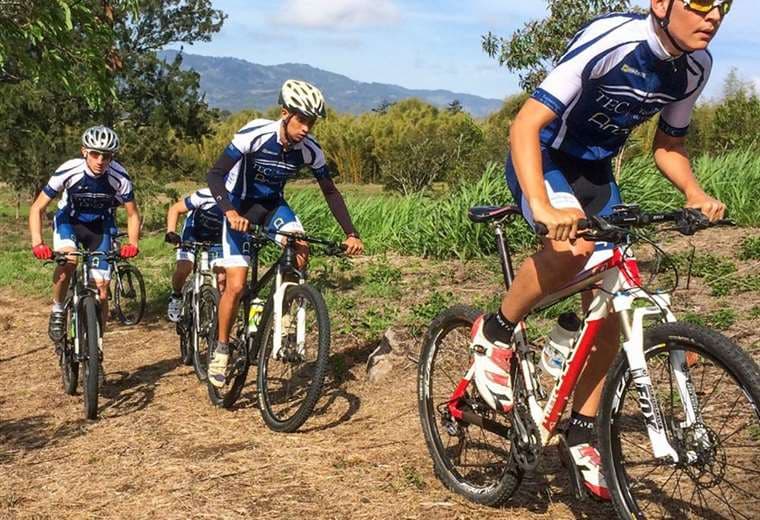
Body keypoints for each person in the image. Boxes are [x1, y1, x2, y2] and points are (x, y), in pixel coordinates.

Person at [471, 0, 729, 500]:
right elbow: (525, 125)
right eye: (700, 2)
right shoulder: (614, 39)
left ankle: (583, 428)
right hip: (543, 156)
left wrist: (693, 193)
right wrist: (542, 206)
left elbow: (669, 145)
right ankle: (495, 331)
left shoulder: (697, 66)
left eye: (724, 5)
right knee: (573, 248)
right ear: (661, 4)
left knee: (618, 301)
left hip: (596, 174)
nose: (713, 15)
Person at [206, 79, 364, 387]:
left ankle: (286, 312)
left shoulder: (310, 150)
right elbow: (215, 174)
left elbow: (330, 192)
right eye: (301, 120)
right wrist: (230, 213)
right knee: (235, 286)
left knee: (300, 246)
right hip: (239, 207)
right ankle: (222, 348)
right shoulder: (255, 133)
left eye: (311, 123)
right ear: (285, 114)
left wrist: (351, 233)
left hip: (273, 207)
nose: (306, 128)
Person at [29, 125, 141, 348]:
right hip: (69, 222)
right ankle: (58, 310)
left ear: (112, 157)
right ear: (84, 152)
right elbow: (37, 208)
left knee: (102, 290)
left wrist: (133, 242)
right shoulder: (69, 170)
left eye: (106, 156)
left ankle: (96, 346)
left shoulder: (119, 176)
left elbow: (132, 214)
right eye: (95, 154)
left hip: (99, 227)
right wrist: (37, 242)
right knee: (68, 263)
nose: (100, 160)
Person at [164, 188, 226, 322]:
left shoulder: (238, 197)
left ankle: (218, 316)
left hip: (217, 237)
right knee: (184, 268)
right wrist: (171, 232)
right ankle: (176, 295)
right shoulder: (206, 194)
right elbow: (175, 209)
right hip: (192, 232)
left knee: (222, 278)